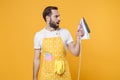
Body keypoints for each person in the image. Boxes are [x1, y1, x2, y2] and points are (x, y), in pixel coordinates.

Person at [33, 6, 84, 80]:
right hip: (47, 76)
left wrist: (78, 38)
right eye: (56, 16)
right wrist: (34, 78)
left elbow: (76, 53)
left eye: (59, 16)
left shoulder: (65, 32)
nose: (59, 19)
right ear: (48, 18)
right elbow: (36, 59)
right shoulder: (39, 35)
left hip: (64, 76)